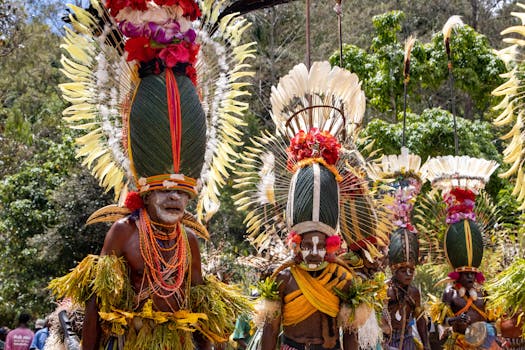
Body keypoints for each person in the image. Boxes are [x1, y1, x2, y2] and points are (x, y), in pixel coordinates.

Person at [48, 0, 252, 348]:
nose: (175, 197)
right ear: (144, 192)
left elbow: (200, 308)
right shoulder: (123, 232)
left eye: (182, 193)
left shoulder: (187, 242)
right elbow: (96, 303)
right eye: (165, 191)